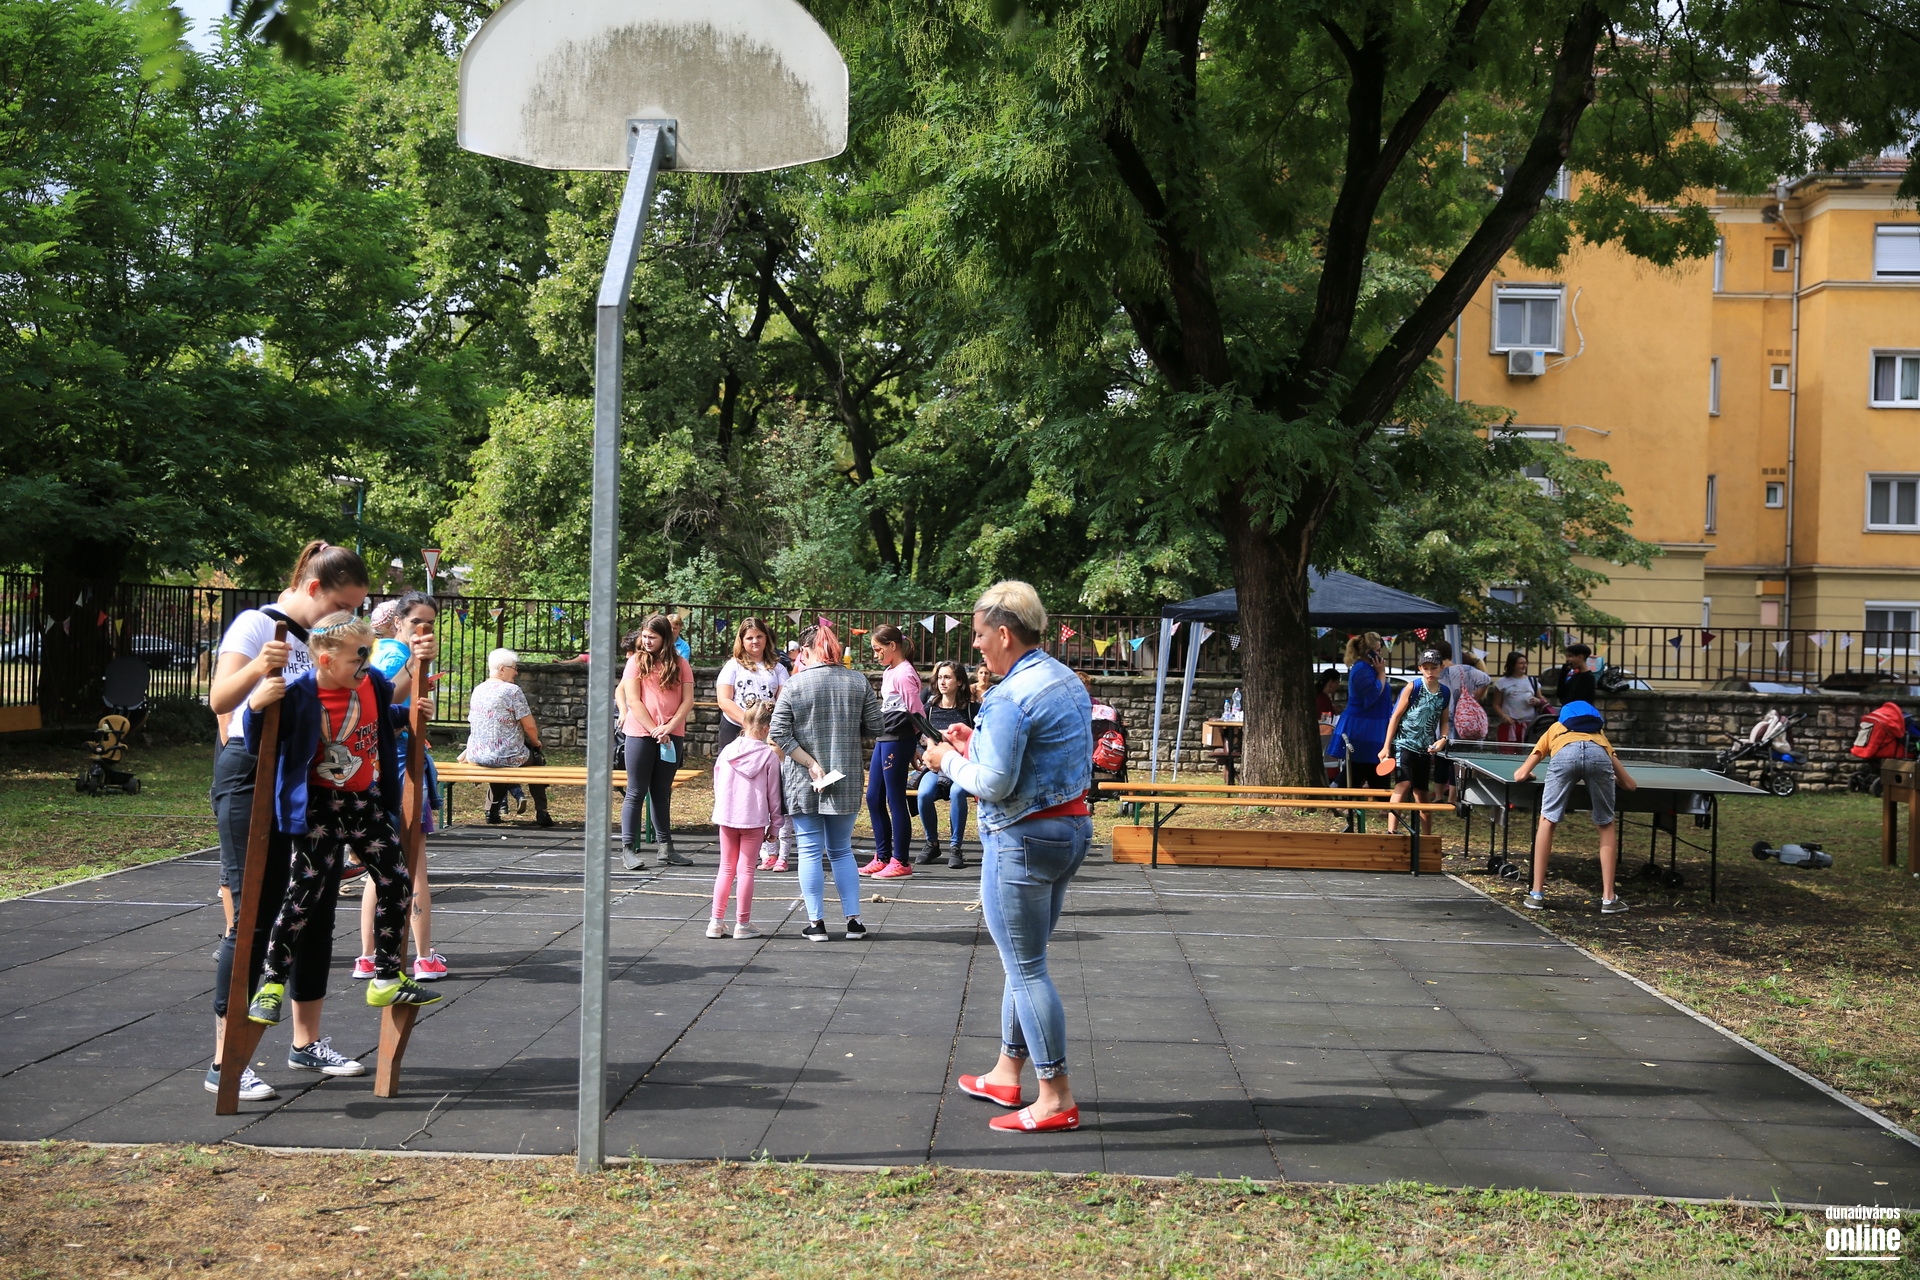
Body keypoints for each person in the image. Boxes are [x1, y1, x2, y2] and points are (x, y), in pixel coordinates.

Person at [205, 541, 372, 1099]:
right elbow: (219, 700)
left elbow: (358, 694)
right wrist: (260, 667)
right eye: (342, 605)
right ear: (313, 588)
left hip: (308, 781)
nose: (347, 616)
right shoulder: (258, 625)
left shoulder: (323, 641)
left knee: (316, 909)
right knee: (254, 914)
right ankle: (226, 1060)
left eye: (355, 608)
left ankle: (306, 1042)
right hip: (252, 776)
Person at [924, 581, 1092, 1134]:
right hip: (1069, 829)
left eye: (978, 635)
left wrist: (947, 760)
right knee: (1025, 959)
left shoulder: (1008, 695)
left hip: (1022, 839)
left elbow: (994, 785)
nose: (974, 646)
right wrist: (975, 742)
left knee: (1026, 968)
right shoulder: (1063, 678)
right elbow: (1034, 757)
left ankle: (1056, 1097)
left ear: (1002, 634)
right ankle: (1005, 1072)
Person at [241, 612, 442, 1025]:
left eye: (368, 655)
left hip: (365, 803)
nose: (365, 664)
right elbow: (259, 741)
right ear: (326, 661)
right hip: (319, 808)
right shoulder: (298, 695)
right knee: (304, 895)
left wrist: (415, 705)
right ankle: (272, 983)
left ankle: (386, 976)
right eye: (357, 657)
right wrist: (256, 708)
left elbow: (384, 713)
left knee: (397, 881)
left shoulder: (372, 684)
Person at [769, 622, 883, 942]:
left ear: (806, 650)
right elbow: (876, 726)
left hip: (803, 778)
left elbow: (778, 732)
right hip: (845, 775)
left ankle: (816, 923)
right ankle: (854, 922)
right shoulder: (858, 680)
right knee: (841, 850)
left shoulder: (794, 684)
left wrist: (809, 762)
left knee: (809, 851)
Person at [357, 593, 447, 982]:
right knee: (414, 862)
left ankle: (368, 956)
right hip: (398, 769)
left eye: (430, 624)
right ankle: (423, 958)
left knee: (379, 865)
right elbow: (381, 706)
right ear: (398, 622)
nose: (423, 631)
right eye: (415, 623)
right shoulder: (396, 655)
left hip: (388, 765)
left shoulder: (387, 652)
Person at [1514, 700, 1640, 914]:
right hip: (1599, 758)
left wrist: (1530, 775)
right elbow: (1630, 785)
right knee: (1606, 822)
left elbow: (1520, 775)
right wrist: (1611, 779)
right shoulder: (1599, 736)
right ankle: (1609, 898)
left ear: (1564, 719)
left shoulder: (1555, 729)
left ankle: (1536, 894)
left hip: (1564, 756)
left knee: (1547, 819)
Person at [715, 617, 791, 868]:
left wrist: (766, 729)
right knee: (737, 787)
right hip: (737, 729)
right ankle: (734, 832)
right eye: (749, 637)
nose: (755, 641)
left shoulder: (778, 667)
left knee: (767, 788)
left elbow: (783, 701)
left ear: (766, 638)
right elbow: (724, 700)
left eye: (759, 636)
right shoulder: (732, 666)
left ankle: (769, 847)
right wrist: (749, 725)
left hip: (769, 732)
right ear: (741, 640)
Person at [621, 614, 695, 869]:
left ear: (665, 638)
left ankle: (666, 848)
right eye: (644, 636)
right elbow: (633, 700)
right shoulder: (635, 662)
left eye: (652, 637)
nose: (647, 641)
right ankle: (628, 848)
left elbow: (687, 701)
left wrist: (669, 728)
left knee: (662, 792)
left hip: (671, 735)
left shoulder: (681, 664)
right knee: (635, 791)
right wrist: (655, 730)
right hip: (640, 734)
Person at [707, 701, 782, 940]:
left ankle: (715, 922)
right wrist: (776, 825)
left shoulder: (727, 751)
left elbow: (717, 783)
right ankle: (743, 923)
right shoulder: (768, 756)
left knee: (726, 868)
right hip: (753, 819)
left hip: (727, 816)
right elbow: (774, 794)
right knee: (746, 870)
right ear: (766, 729)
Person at [463, 649, 555, 828]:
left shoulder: (478, 690)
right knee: (536, 760)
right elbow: (529, 726)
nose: (517, 672)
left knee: (498, 762)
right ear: (502, 669)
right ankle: (542, 812)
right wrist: (535, 742)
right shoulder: (512, 691)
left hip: (477, 755)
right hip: (507, 754)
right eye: (514, 668)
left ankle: (492, 810)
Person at [862, 624, 925, 880]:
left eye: (878, 649)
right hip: (885, 738)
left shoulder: (905, 673)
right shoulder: (890, 672)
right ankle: (883, 856)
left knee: (895, 798)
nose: (876, 654)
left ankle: (901, 860)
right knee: (872, 797)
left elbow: (917, 713)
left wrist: (916, 745)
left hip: (899, 740)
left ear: (892, 646)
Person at [1378, 648, 1453, 835]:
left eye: (1433, 668)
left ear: (1441, 667)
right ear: (1420, 668)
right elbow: (1395, 717)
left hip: (1425, 749)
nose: (1430, 672)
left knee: (1422, 794)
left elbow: (1444, 722)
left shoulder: (1445, 693)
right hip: (1403, 744)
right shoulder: (1413, 687)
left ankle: (1426, 838)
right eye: (1425, 668)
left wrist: (1443, 739)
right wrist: (1386, 747)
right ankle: (1391, 832)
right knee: (1403, 785)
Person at [914, 660, 976, 868]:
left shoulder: (972, 710)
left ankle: (955, 847)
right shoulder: (929, 708)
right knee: (923, 794)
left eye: (947, 677)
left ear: (960, 682)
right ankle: (932, 844)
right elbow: (918, 738)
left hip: (961, 767)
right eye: (940, 677)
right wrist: (925, 753)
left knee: (957, 792)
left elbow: (980, 740)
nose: (942, 681)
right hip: (935, 768)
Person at [1330, 632, 1393, 789]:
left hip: (1371, 726)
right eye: (1377, 651)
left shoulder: (1368, 668)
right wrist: (1381, 673)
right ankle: (1340, 793)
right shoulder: (1361, 670)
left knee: (1367, 767)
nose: (1380, 655)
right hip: (1363, 728)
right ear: (1368, 652)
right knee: (1363, 766)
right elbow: (1372, 695)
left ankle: (1341, 792)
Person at [1491, 652, 1551, 744]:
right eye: (1521, 663)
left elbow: (1542, 699)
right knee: (1506, 751)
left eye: (1525, 663)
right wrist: (1504, 716)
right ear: (1512, 665)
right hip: (1509, 724)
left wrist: (1538, 701)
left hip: (1529, 725)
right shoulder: (1502, 682)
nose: (1524, 666)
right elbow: (1496, 704)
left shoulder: (1532, 681)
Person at [1314, 669, 1341, 745]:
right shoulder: (1324, 700)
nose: (1337, 686)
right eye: (1337, 683)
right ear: (1331, 683)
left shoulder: (1319, 696)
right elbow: (1325, 722)